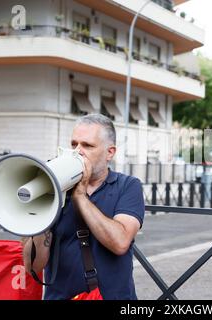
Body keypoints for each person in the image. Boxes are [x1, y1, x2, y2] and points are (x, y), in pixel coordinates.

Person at [22, 114, 145, 300]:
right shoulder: (55, 190)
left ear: (109, 152)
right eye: (74, 144)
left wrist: (79, 195)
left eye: (87, 145)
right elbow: (33, 266)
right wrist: (44, 206)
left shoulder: (127, 186)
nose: (78, 151)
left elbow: (120, 242)